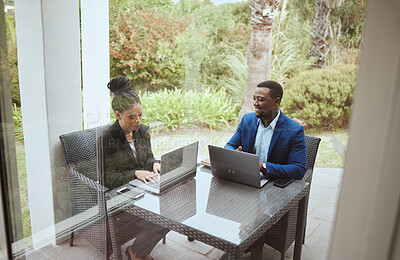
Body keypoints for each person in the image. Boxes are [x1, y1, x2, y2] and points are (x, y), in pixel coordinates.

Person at [100, 76, 168, 260]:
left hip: (143, 190)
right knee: (165, 215)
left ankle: (136, 251)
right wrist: (135, 173)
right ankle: (137, 253)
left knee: (172, 210)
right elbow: (106, 177)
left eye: (140, 115)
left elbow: (147, 158)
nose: (138, 121)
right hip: (121, 196)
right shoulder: (107, 138)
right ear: (117, 114)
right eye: (132, 117)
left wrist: (154, 163)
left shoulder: (143, 131)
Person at [225, 80, 307, 180]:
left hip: (274, 185)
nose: (255, 103)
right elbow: (230, 145)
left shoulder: (294, 130)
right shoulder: (247, 120)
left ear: (276, 102)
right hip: (246, 178)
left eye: (260, 99)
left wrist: (263, 167)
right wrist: (234, 154)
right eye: (254, 99)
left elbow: (298, 170)